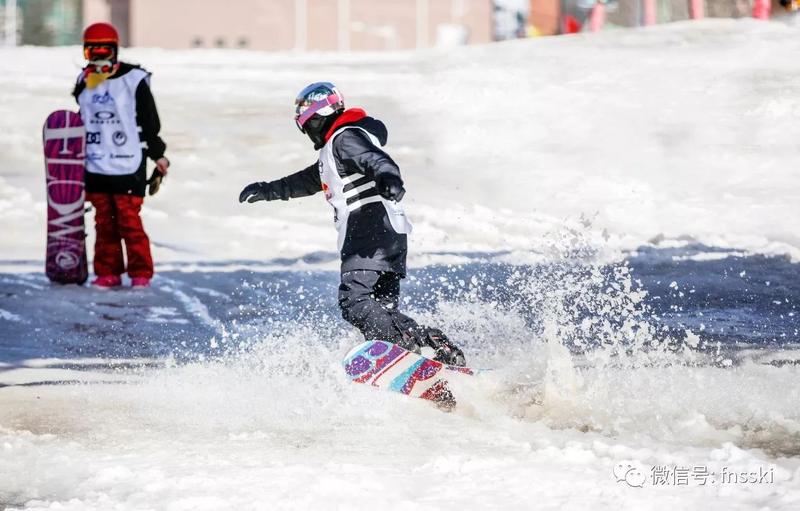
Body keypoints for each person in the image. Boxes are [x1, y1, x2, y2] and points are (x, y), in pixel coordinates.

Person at [239, 82, 466, 366]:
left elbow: (376, 161)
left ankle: (406, 345)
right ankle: (434, 347)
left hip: (368, 229)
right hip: (388, 232)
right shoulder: (335, 149)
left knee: (355, 302)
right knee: (381, 309)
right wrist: (267, 190)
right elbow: (306, 181)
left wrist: (389, 178)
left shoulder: (344, 139)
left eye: (304, 118)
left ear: (316, 116)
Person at [73, 22, 170, 289]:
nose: (98, 57)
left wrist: (158, 155)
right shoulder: (85, 81)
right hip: (95, 164)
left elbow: (149, 122)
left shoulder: (134, 80)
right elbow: (81, 118)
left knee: (129, 222)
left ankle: (140, 273)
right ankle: (107, 272)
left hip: (128, 164)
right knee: (104, 223)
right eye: (92, 52)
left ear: (115, 51)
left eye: (104, 51)